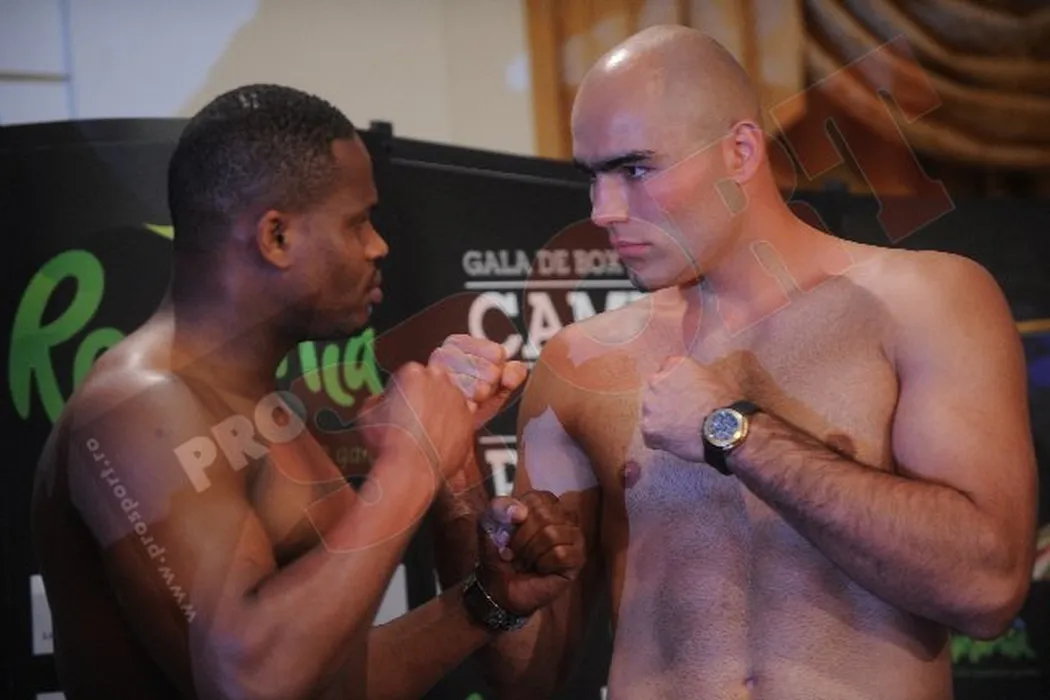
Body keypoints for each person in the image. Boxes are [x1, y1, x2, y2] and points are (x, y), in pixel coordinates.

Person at [438, 25, 1039, 700]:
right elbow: (523, 678)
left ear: (741, 150)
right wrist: (451, 472)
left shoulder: (926, 302)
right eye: (593, 177)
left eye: (635, 170)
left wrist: (735, 432)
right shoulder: (579, 363)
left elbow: (988, 589)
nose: (603, 211)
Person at [30, 84, 585, 700]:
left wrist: (481, 598)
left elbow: (331, 682)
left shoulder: (265, 409)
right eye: (358, 221)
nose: (379, 245)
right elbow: (250, 682)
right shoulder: (136, 406)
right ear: (276, 237)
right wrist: (413, 462)